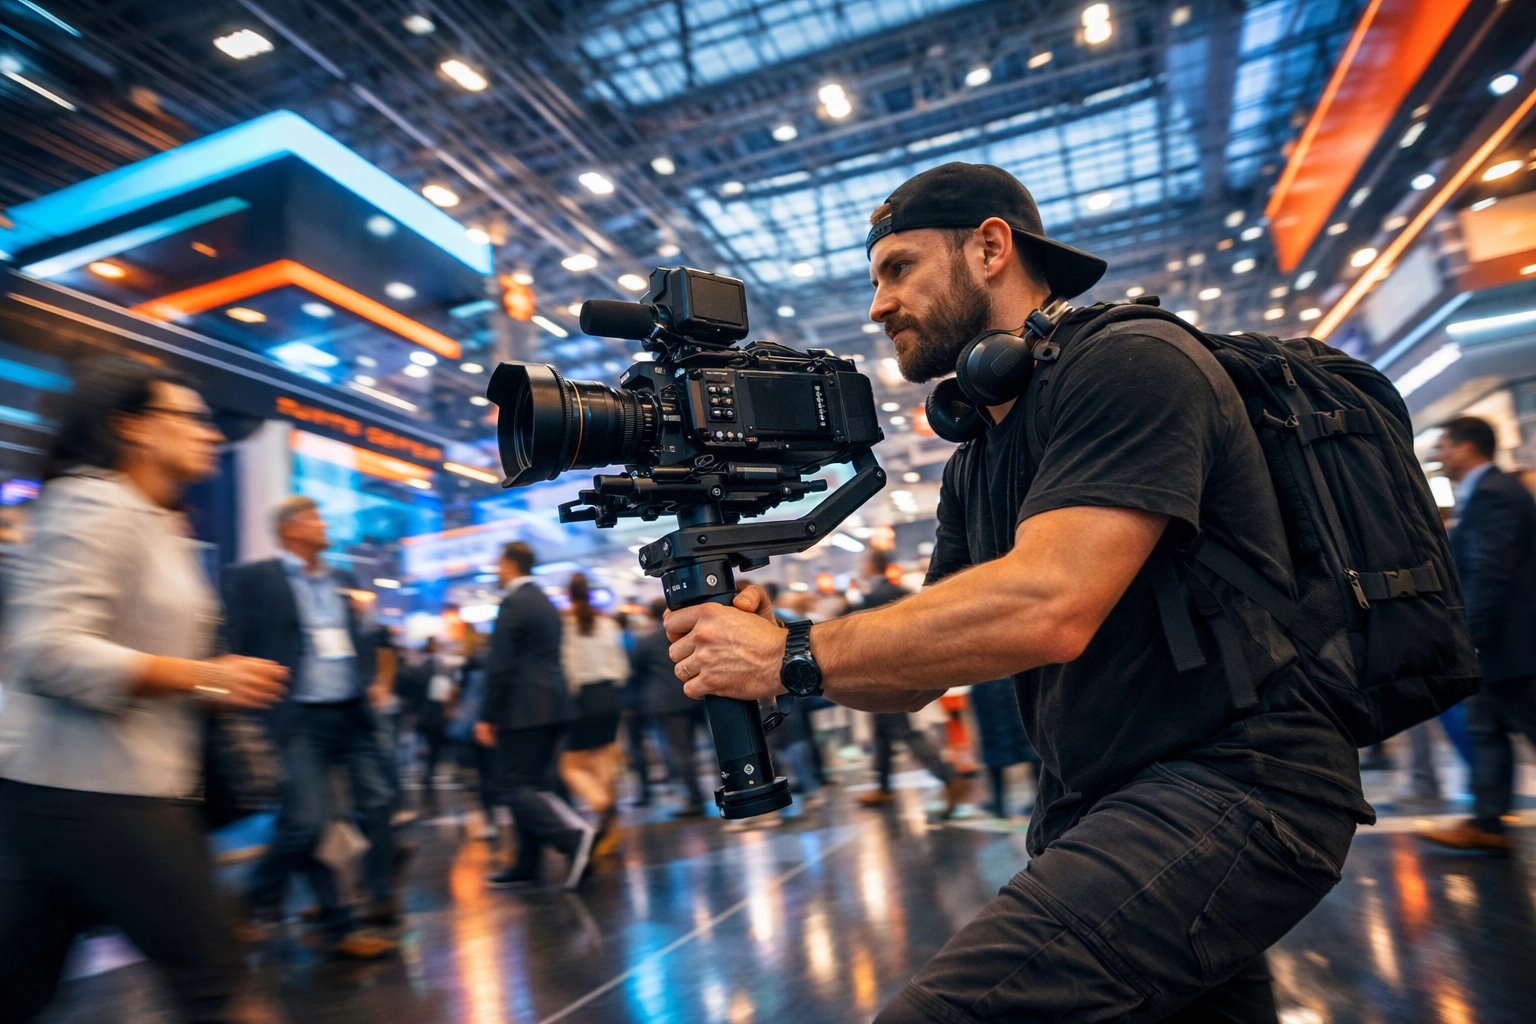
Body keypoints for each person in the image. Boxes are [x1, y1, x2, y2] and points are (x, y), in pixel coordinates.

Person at [665, 163, 1369, 1022]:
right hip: (1101, 807)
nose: (877, 306)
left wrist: (794, 654)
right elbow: (920, 672)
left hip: (1239, 788)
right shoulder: (981, 456)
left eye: (898, 269)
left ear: (992, 247)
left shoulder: (1130, 362)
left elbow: (1051, 603)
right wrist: (789, 649)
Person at [0, 357, 288, 1023]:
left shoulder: (152, 519)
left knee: (14, 986)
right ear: (132, 429)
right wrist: (206, 677)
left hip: (66, 793)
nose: (210, 435)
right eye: (190, 419)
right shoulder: (93, 504)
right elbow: (48, 649)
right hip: (104, 791)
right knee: (219, 984)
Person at [224, 496, 398, 955]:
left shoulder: (339, 579)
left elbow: (356, 639)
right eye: (316, 519)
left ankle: (357, 910)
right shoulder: (254, 578)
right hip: (295, 717)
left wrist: (367, 680)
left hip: (350, 713)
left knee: (376, 802)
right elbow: (236, 642)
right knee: (308, 820)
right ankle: (255, 899)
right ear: (292, 529)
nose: (324, 526)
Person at [1421, 417, 1536, 853]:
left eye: (1445, 446)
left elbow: (1492, 572)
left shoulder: (1493, 494)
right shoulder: (1485, 492)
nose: (1439, 455)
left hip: (1513, 643)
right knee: (1486, 729)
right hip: (1500, 646)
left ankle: (1488, 822)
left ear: (1468, 448)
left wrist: (1471, 634)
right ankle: (1487, 824)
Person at [474, 542, 594, 889]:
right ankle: (527, 864)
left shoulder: (513, 603)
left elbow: (501, 665)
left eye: (498, 563)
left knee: (514, 787)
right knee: (536, 786)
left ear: (510, 564)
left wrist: (487, 715)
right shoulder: (544, 602)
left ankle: (573, 838)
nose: (496, 570)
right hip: (553, 704)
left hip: (522, 709)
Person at [854, 549, 964, 817]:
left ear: (871, 565)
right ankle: (884, 787)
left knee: (906, 734)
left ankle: (949, 779)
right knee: (884, 736)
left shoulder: (870, 597)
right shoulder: (902, 591)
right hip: (898, 673)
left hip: (882, 678)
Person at [559, 572, 631, 856]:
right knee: (601, 758)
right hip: (611, 696)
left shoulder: (567, 625)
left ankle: (603, 804)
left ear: (569, 595)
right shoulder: (607, 623)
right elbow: (621, 665)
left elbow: (570, 667)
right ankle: (608, 827)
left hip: (583, 698)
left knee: (569, 767)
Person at [631, 598, 707, 817]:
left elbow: (636, 671)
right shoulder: (689, 633)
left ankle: (695, 801)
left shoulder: (645, 642)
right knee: (714, 746)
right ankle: (733, 788)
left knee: (682, 753)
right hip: (696, 694)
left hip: (667, 704)